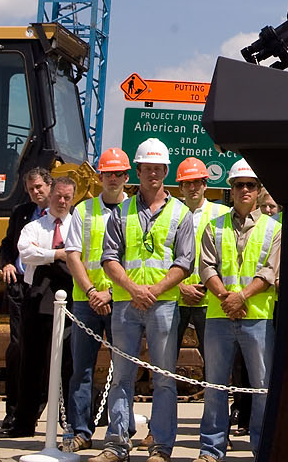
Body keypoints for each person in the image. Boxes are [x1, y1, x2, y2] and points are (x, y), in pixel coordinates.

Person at [96, 137, 194, 462]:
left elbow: (184, 262)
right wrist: (134, 288)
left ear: (166, 171)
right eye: (146, 168)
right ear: (137, 171)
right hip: (126, 304)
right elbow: (109, 258)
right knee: (122, 376)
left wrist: (153, 290)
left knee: (164, 379)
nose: (152, 174)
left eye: (157, 168)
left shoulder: (180, 213)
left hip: (163, 306)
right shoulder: (120, 212)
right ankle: (116, 445)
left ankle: (161, 447)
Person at [197, 158, 282, 462]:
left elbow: (270, 271)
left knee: (262, 389)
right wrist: (225, 297)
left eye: (251, 185)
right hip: (221, 316)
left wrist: (241, 297)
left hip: (257, 318)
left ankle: (261, 449)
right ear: (230, 189)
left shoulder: (274, 229)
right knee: (214, 386)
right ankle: (211, 449)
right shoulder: (213, 227)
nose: (245, 189)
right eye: (239, 185)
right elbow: (206, 266)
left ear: (259, 191)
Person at [65, 147, 131, 452]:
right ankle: (80, 430)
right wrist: (92, 292)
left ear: (126, 177)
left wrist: (112, 293)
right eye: (108, 173)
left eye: (119, 173)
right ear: (100, 176)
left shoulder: (134, 211)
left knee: (124, 369)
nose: (113, 179)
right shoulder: (83, 210)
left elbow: (136, 261)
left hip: (121, 301)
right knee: (82, 369)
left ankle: (122, 428)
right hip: (86, 302)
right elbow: (73, 255)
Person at [10, 174, 81, 438]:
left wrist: (48, 256)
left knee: (68, 365)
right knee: (31, 363)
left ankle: (70, 424)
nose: (62, 201)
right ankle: (24, 422)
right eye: (58, 196)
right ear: (50, 194)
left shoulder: (78, 226)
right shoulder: (34, 227)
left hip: (72, 300)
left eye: (67, 198)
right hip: (37, 301)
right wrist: (58, 254)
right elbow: (26, 252)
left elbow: (82, 255)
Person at [0, 167, 52, 437]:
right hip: (20, 287)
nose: (36, 192)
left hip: (47, 289)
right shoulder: (21, 213)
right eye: (31, 189)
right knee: (18, 349)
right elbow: (7, 244)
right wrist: (6, 262)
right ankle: (14, 412)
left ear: (50, 186)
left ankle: (40, 406)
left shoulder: (63, 214)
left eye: (40, 187)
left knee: (47, 352)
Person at [173, 157, 228, 401]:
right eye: (188, 183)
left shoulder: (221, 213)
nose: (193, 187)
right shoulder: (170, 213)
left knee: (217, 368)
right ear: (181, 187)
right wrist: (181, 285)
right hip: (176, 297)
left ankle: (216, 430)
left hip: (210, 299)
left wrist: (210, 286)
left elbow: (228, 257)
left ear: (206, 184)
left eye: (197, 182)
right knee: (164, 366)